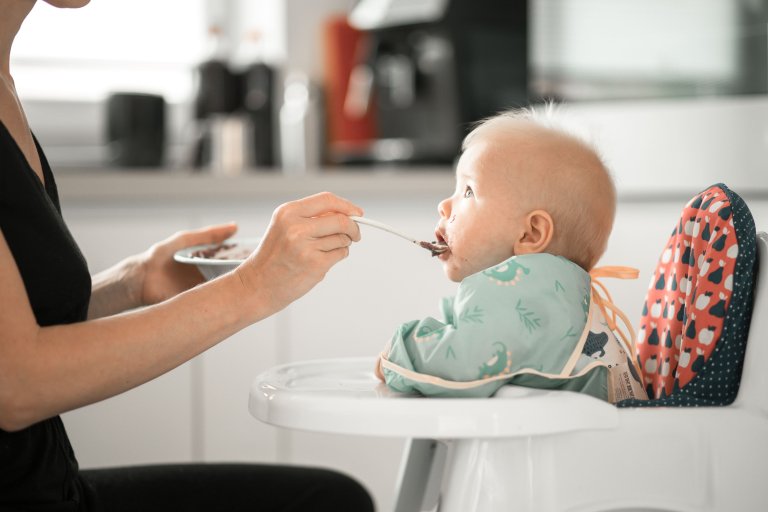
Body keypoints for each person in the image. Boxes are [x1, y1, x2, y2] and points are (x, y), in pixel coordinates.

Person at [0, 1, 374, 510]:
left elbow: (24, 323)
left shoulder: (5, 85)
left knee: (329, 498)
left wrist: (133, 282)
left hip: (54, 485)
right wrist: (253, 287)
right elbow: (16, 383)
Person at [376, 106, 648, 403]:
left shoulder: (530, 293)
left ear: (530, 234)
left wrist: (400, 353)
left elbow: (462, 365)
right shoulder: (551, 291)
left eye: (468, 191)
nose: (444, 205)